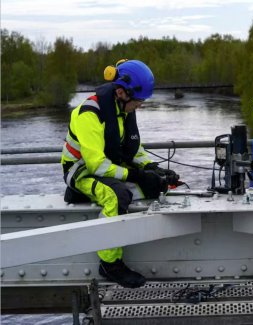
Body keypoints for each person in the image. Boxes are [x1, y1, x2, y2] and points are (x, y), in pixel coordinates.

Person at [61, 59, 180, 288]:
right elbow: (96, 165)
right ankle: (110, 265)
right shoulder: (89, 114)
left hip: (108, 164)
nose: (140, 106)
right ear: (121, 92)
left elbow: (133, 150)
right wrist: (135, 176)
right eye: (138, 101)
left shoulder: (122, 109)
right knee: (117, 197)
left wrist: (152, 169)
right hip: (81, 171)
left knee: (156, 184)